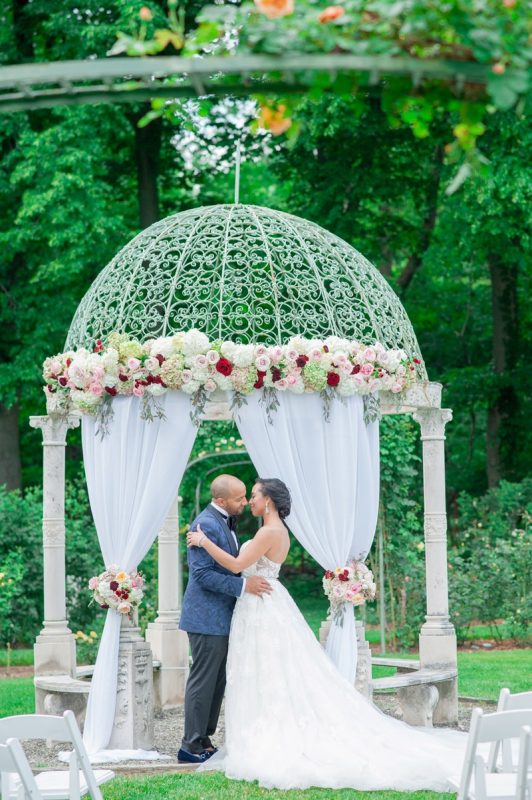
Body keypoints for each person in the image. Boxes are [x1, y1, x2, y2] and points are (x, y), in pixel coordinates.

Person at [186, 477, 466, 791]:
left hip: (260, 606)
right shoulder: (272, 530)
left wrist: (204, 542)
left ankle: (268, 732)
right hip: (259, 605)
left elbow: (238, 563)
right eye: (246, 496)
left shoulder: (269, 532)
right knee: (266, 672)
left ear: (269, 501)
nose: (249, 501)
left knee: (266, 671)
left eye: (253, 496)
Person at [177, 474, 272, 764]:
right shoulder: (204, 524)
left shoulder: (224, 521)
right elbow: (202, 575)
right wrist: (244, 587)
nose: (244, 502)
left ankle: (204, 738)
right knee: (203, 680)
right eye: (239, 499)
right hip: (205, 617)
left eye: (246, 497)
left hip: (221, 616)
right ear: (221, 501)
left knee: (217, 682)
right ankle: (190, 746)